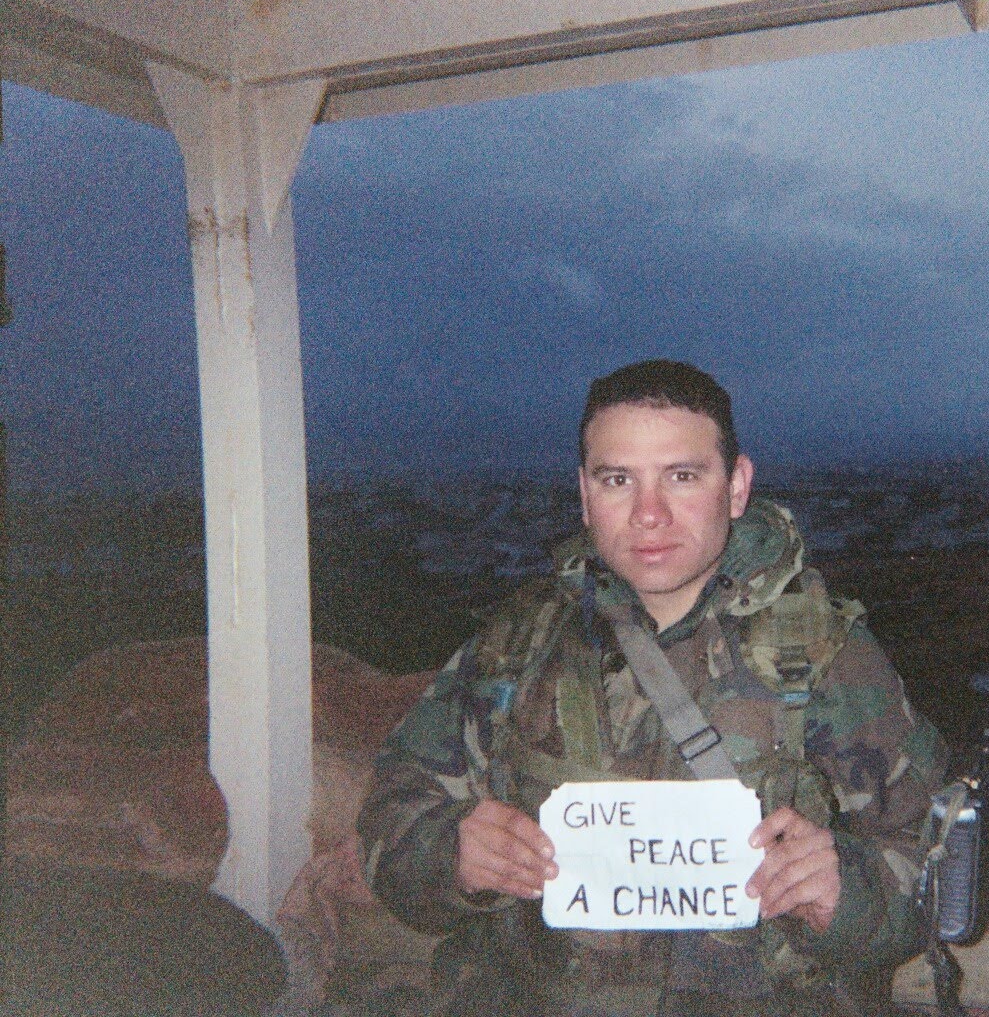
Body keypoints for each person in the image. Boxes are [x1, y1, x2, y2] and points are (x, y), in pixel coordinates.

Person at [358, 360, 947, 1017]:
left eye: (682, 476)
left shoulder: (818, 652)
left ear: (736, 487)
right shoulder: (519, 642)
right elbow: (391, 816)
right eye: (618, 480)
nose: (648, 514)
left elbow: (937, 864)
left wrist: (847, 892)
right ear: (585, 494)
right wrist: (451, 855)